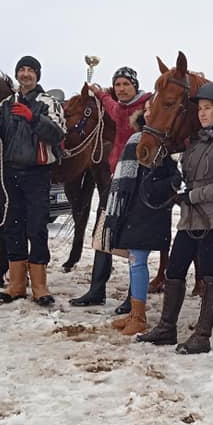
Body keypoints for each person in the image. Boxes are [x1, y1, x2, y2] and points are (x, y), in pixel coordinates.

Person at [137, 82, 213, 354]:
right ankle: (167, 327)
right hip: (189, 220)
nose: (202, 113)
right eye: (200, 108)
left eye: (208, 108)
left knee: (210, 275)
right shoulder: (194, 143)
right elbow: (185, 176)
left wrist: (194, 195)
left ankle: (203, 335)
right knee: (175, 270)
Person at [0, 55, 66, 306]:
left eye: (31, 70)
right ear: (17, 74)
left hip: (37, 174)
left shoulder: (48, 103)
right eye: (22, 69)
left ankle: (39, 285)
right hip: (10, 173)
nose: (26, 74)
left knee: (37, 227)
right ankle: (17, 284)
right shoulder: (6, 104)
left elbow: (58, 133)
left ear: (37, 75)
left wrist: (33, 118)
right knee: (13, 227)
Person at [70, 66, 152, 314]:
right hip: (116, 178)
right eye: (118, 85)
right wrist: (97, 91)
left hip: (140, 179)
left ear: (135, 86)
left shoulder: (148, 105)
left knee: (134, 241)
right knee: (102, 234)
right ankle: (97, 290)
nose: (121, 89)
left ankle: (133, 297)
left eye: (126, 84)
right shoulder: (117, 108)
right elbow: (108, 102)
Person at [102, 101, 180, 335]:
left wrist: (156, 187)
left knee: (137, 261)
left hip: (148, 210)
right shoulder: (136, 138)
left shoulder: (164, 144)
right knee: (134, 261)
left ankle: (139, 316)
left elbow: (173, 177)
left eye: (152, 108)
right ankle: (135, 312)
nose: (148, 112)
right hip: (131, 209)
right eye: (146, 109)